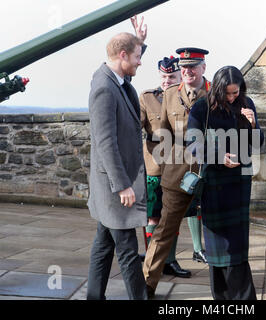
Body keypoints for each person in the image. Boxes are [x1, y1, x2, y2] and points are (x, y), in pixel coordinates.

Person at [187, 65, 264, 300]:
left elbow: (258, 144)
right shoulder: (201, 108)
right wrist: (219, 156)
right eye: (228, 93)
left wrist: (252, 125)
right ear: (219, 89)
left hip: (239, 185)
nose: (232, 97)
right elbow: (192, 144)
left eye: (236, 92)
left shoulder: (246, 103)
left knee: (238, 247)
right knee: (218, 249)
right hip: (214, 186)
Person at [86, 16, 148, 300]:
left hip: (110, 187)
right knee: (127, 251)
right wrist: (122, 185)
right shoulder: (104, 87)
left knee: (103, 246)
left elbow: (131, 59)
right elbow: (105, 142)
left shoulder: (118, 79)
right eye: (137, 56)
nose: (140, 61)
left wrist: (140, 41)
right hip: (113, 187)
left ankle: (94, 297)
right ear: (122, 55)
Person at [143, 47, 210, 297]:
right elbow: (162, 134)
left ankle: (225, 289)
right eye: (184, 67)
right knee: (163, 231)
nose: (187, 71)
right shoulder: (171, 94)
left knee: (215, 231)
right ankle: (147, 285)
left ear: (203, 67)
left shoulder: (215, 93)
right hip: (176, 173)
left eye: (193, 66)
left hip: (209, 172)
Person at [140, 55, 196, 278]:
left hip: (180, 166)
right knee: (154, 217)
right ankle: (151, 260)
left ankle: (169, 261)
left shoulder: (186, 96)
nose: (166, 81)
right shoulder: (147, 98)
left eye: (171, 76)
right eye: (163, 76)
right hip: (156, 167)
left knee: (173, 216)